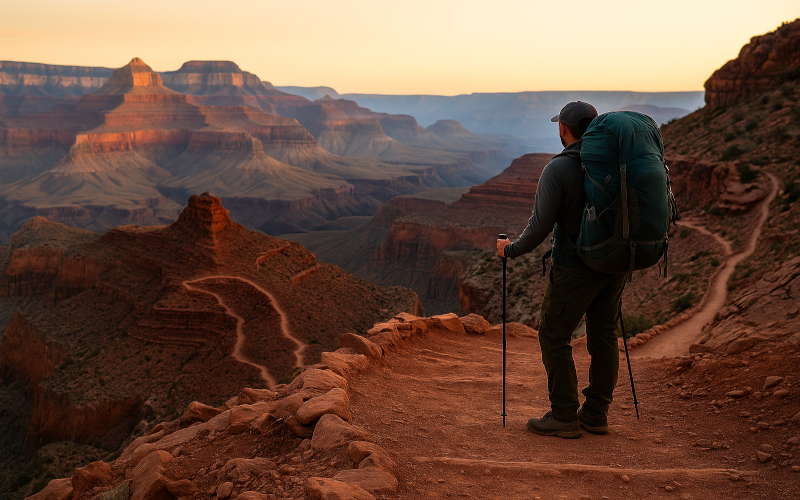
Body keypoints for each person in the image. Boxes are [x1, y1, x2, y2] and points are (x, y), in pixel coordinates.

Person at [496, 101, 627, 439]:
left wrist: (510, 250)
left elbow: (539, 227)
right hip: (615, 264)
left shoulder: (559, 168)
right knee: (604, 335)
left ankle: (565, 416)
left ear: (564, 129)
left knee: (554, 335)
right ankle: (596, 414)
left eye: (560, 126)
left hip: (575, 268)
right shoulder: (616, 160)